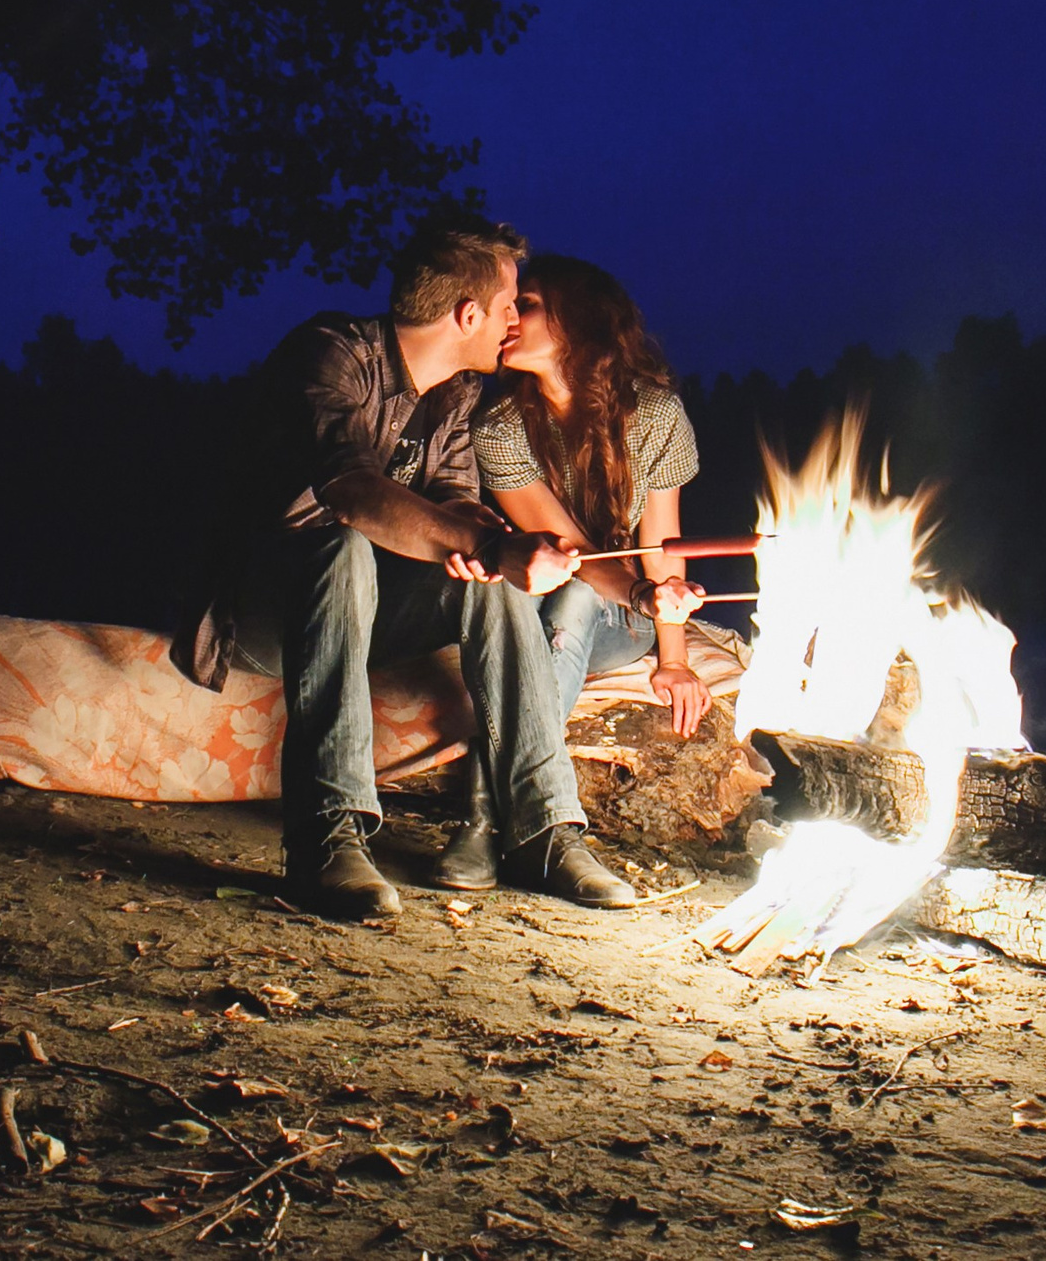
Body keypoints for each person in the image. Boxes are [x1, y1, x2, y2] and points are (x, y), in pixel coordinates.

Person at [183, 215, 639, 920]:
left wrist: (497, 543)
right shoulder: (332, 356)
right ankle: (327, 838)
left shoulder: (454, 394)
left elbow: (455, 499)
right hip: (266, 613)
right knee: (345, 545)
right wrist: (484, 542)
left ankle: (543, 828)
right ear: (467, 314)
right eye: (510, 304)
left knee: (494, 586)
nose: (514, 319)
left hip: (369, 613)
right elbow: (352, 491)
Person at [429, 255, 710, 890]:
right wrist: (640, 589)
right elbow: (570, 550)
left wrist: (672, 653)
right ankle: (532, 830)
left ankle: (477, 821)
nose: (508, 316)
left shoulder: (657, 415)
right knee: (548, 594)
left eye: (525, 305)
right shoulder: (500, 427)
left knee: (578, 603)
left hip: (622, 614)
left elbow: (662, 542)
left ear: (576, 323)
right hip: (563, 595)